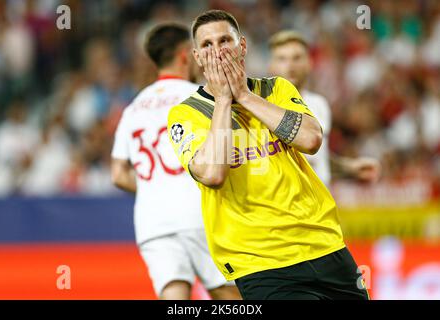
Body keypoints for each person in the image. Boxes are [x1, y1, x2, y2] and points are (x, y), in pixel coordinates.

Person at [168, 10, 369, 300]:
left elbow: (311, 139)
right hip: (259, 261)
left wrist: (245, 97)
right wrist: (224, 100)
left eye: (225, 40)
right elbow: (212, 174)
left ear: (243, 47)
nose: (217, 52)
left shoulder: (276, 89)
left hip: (324, 243)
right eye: (208, 46)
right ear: (197, 57)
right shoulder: (187, 113)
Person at [111, 23, 240, 300]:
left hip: (152, 221)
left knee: (173, 295)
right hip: (200, 213)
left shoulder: (134, 107)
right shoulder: (199, 97)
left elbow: (118, 174)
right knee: (227, 293)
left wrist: (155, 188)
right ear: (184, 55)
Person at [268, 30, 381, 186]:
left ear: (309, 63)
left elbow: (317, 158)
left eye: (297, 58)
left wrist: (349, 168)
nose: (290, 65)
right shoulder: (264, 110)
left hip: (320, 204)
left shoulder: (318, 104)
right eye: (282, 59)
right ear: (271, 66)